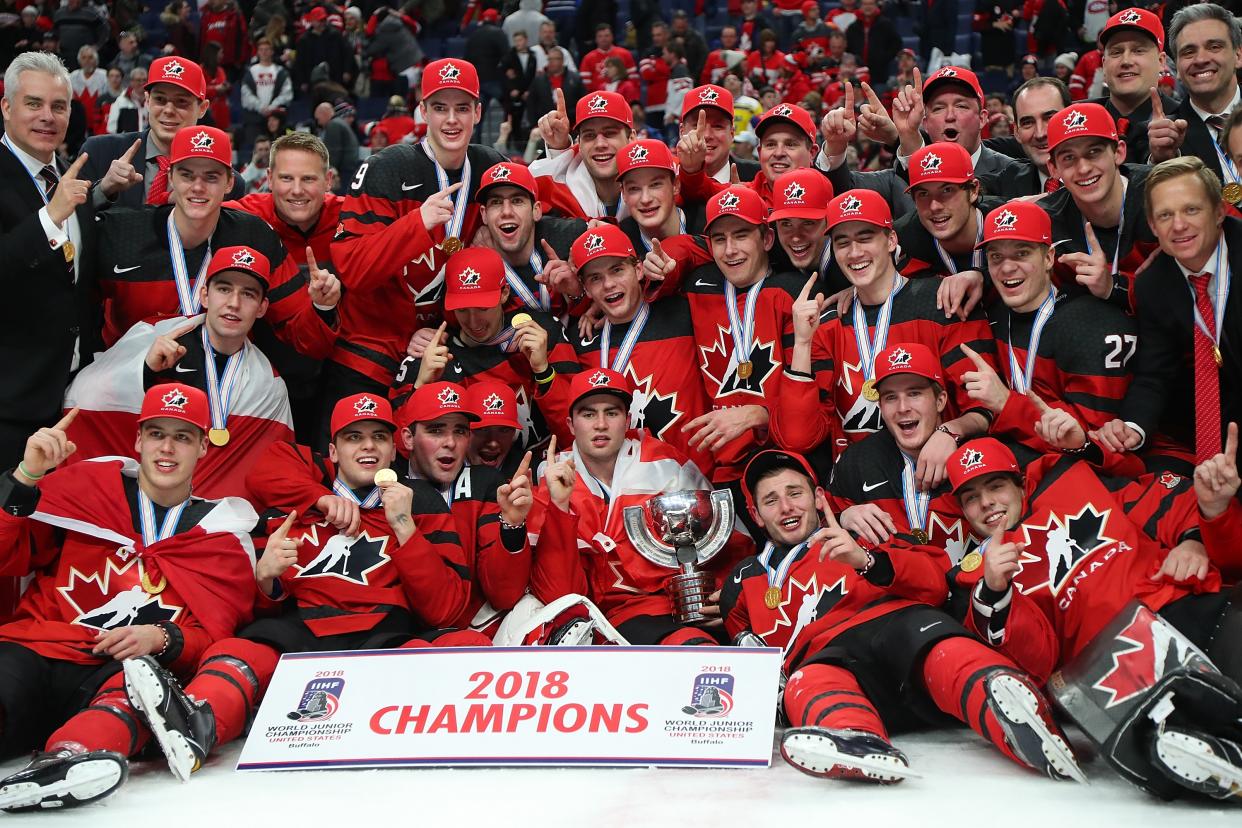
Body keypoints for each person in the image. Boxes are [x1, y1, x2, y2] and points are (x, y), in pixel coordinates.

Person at [117, 392, 484, 785]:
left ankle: (469, 741)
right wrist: (266, 579)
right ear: (333, 451)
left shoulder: (421, 504)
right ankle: (196, 724)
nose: (367, 447)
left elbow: (446, 611)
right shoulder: (293, 504)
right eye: (353, 437)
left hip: (386, 636)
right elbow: (252, 608)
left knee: (467, 645)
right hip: (302, 635)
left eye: (378, 437)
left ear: (392, 451)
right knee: (237, 650)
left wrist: (405, 528)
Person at [722, 448, 1083, 784]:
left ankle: (1016, 712)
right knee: (809, 681)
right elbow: (746, 650)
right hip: (830, 660)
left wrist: (867, 559)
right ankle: (858, 742)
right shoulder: (740, 583)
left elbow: (936, 580)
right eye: (771, 500)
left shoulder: (870, 531)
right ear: (754, 514)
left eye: (795, 493)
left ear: (818, 498)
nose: (786, 507)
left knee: (936, 644)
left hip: (899, 631)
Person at [0, 385, 257, 811]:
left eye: (183, 437)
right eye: (157, 434)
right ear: (138, 440)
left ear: (202, 450)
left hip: (114, 672)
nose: (167, 448)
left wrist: (163, 638)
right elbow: (6, 555)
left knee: (142, 691)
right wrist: (26, 477)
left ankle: (62, 763)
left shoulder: (222, 535)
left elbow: (209, 638)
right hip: (38, 650)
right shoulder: (83, 491)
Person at [946, 436, 1241, 802]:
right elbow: (1037, 662)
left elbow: (1161, 498)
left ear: (1020, 483)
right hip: (1118, 666)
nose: (986, 502)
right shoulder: (975, 577)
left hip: (1180, 605)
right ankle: (1223, 756)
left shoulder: (1075, 483)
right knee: (1165, 740)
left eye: (995, 487)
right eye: (971, 497)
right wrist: (996, 590)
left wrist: (1196, 533)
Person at [770, 189, 994, 474]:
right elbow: (798, 437)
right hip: (861, 493)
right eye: (842, 243)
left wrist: (951, 431)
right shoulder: (827, 325)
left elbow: (985, 407)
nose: (854, 252)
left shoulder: (942, 303)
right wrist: (802, 343)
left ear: (891, 240)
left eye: (865, 238)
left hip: (939, 482)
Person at [331, 58, 507, 407]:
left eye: (462, 108)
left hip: (444, 346)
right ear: (423, 111)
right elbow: (352, 269)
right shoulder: (385, 168)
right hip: (371, 352)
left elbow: (538, 214)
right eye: (440, 108)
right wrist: (416, 225)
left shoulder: (491, 167)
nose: (452, 120)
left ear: (478, 111)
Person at [531, 368, 747, 646]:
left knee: (698, 651)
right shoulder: (550, 475)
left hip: (668, 611)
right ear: (571, 425)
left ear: (628, 420)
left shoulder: (665, 464)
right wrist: (559, 506)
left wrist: (724, 593)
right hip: (588, 626)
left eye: (612, 413)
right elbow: (556, 595)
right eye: (588, 414)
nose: (600, 424)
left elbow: (729, 541)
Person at [64, 245, 296, 499]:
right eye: (224, 289)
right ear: (205, 296)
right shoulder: (155, 333)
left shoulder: (268, 382)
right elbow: (86, 397)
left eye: (248, 294)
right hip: (135, 497)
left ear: (262, 307)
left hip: (210, 515)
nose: (234, 303)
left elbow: (274, 466)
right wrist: (145, 369)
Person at [92, 125, 340, 364]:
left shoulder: (254, 235)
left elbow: (302, 334)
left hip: (223, 386)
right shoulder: (120, 231)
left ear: (230, 182)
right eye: (187, 175)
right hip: (128, 381)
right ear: (170, 177)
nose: (198, 187)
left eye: (211, 177)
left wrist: (322, 306)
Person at [1097, 157, 1242, 473]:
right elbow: (1155, 373)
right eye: (1165, 215)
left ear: (1219, 211)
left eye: (1191, 210)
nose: (1178, 225)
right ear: (1152, 225)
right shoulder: (1153, 283)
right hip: (1221, 425)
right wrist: (1132, 427)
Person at [0, 52, 95, 470]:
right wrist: (49, 217)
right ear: (6, 107)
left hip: (70, 403)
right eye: (33, 103)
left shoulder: (69, 181)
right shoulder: (57, 198)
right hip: (7, 408)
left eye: (58, 106)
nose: (47, 117)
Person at [560, 224, 716, 473]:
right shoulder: (582, 339)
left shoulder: (682, 313)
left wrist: (671, 257)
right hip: (621, 491)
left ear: (639, 269)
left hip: (693, 483)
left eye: (617, 270)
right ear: (586, 289)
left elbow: (719, 249)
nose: (609, 284)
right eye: (595, 278)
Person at [392, 247, 578, 451]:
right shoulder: (431, 358)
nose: (473, 322)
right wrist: (421, 386)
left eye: (482, 308)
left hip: (545, 469)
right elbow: (399, 451)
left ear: (504, 293)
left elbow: (576, 433)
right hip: (469, 477)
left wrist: (543, 371)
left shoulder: (543, 333)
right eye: (462, 309)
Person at [821, 66, 1031, 219]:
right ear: (926, 122)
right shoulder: (901, 175)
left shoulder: (1014, 172)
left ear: (983, 118)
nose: (950, 116)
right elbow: (838, 192)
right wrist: (836, 146)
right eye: (938, 108)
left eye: (961, 106)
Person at [829, 343, 973, 563]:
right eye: (890, 397)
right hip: (897, 592)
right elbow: (821, 525)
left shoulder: (973, 455)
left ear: (940, 400)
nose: (902, 407)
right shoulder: (857, 461)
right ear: (880, 406)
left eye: (914, 393)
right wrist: (844, 518)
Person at [1039, 101, 1157, 314]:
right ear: (1053, 169)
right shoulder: (1046, 219)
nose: (1083, 168)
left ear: (1119, 152)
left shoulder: (1160, 192)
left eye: (1094, 152)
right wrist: (979, 275)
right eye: (1069, 158)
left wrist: (1113, 287)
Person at [83, 55, 243, 209]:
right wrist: (103, 190)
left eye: (181, 102)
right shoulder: (99, 152)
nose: (168, 110)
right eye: (160, 99)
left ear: (202, 108)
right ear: (147, 100)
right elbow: (69, 224)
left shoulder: (223, 182)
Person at [1148, 4, 1241, 187]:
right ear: (1177, 68)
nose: (1200, 60)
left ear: (1238, 55)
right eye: (1189, 52)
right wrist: (1164, 161)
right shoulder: (1163, 135)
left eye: (1214, 47)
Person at [1091, 6, 1176, 164]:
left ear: (1161, 62)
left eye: (1138, 50)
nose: (1126, 61)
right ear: (1103, 64)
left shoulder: (1185, 121)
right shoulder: (1081, 121)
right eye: (1116, 52)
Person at [532, 90, 635, 220]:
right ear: (579, 144)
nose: (600, 144)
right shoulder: (559, 191)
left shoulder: (659, 182)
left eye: (610, 133)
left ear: (631, 138)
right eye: (589, 135)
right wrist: (558, 147)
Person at [680, 84, 760, 185]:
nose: (707, 135)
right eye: (697, 126)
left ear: (732, 133)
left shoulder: (758, 178)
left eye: (717, 126)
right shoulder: (668, 179)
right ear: (682, 132)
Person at [464, 380, 525, 477]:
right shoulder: (441, 472)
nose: (493, 443)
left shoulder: (532, 471)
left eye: (504, 430)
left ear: (514, 434)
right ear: (462, 432)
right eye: (482, 429)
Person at [240, 38, 294, 148]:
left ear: (272, 51)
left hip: (276, 119)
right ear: (258, 52)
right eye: (261, 49)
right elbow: (246, 94)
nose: (264, 52)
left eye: (267, 49)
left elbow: (287, 93)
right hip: (255, 119)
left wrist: (273, 107)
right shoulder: (250, 71)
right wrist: (260, 107)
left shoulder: (280, 71)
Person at [579, 23, 637, 93]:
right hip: (598, 99)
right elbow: (585, 85)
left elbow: (633, 79)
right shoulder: (588, 58)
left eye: (607, 36)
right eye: (600, 36)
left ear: (612, 37)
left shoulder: (625, 54)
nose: (603, 39)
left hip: (622, 96)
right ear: (596, 39)